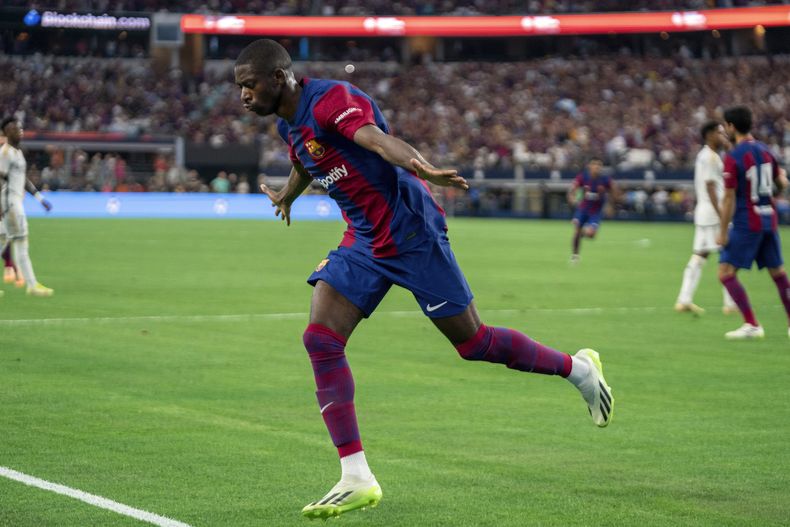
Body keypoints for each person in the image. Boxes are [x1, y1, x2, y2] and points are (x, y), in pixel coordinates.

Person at [234, 39, 614, 520]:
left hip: (410, 230)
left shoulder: (332, 100)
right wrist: (289, 194)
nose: (243, 96)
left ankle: (578, 370)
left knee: (474, 343)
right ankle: (356, 476)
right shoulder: (289, 120)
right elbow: (306, 156)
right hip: (365, 240)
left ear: (279, 77)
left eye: (249, 85)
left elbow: (374, 139)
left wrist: (420, 165)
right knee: (320, 338)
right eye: (240, 89)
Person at [717, 106, 789, 339]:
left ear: (731, 127)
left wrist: (722, 232)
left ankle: (752, 324)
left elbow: (728, 198)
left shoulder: (734, 157)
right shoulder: (766, 150)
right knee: (778, 273)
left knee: (725, 272)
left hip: (748, 221)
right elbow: (781, 184)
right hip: (770, 218)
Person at [674, 121, 737, 315]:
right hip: (713, 213)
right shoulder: (710, 157)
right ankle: (730, 303)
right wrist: (722, 215)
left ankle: (684, 299)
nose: (723, 135)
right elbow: (710, 186)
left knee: (700, 255)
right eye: (720, 133)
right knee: (728, 255)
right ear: (709, 134)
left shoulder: (706, 155)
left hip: (704, 212)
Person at [0, 117, 54, 297]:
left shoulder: (18, 154)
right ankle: (32, 285)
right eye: (15, 128)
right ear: (6, 132)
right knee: (21, 242)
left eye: (21, 127)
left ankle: (31, 284)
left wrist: (39, 198)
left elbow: (22, 180)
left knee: (3, 242)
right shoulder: (5, 154)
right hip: (10, 205)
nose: (20, 130)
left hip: (12, 204)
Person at [567, 157, 615, 263]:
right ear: (589, 166)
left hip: (595, 212)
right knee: (577, 231)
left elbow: (614, 191)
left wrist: (610, 205)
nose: (596, 167)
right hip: (582, 209)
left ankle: (581, 232)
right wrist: (572, 197)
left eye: (599, 165)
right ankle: (575, 256)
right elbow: (572, 189)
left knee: (591, 235)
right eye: (594, 164)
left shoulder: (605, 179)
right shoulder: (582, 177)